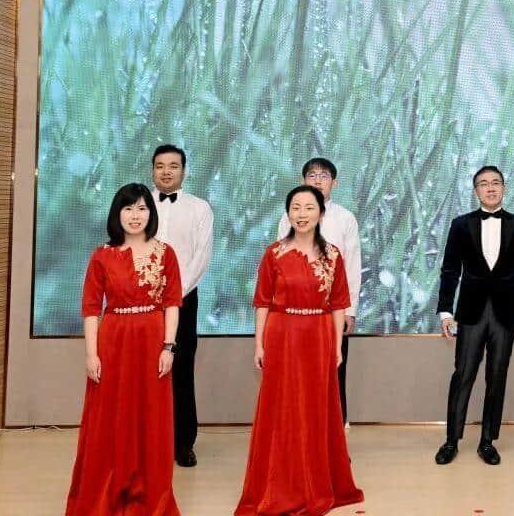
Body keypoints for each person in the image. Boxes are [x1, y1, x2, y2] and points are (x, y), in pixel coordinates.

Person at [236, 185, 364, 516]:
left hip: (318, 337)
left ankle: (315, 482)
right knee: (282, 409)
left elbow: (339, 304)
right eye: (296, 207)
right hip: (281, 335)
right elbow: (262, 302)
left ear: (321, 213)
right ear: (288, 213)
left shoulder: (333, 255)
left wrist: (337, 346)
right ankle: (280, 483)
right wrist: (259, 343)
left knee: (315, 409)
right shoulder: (274, 253)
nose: (302, 214)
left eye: (309, 207)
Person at [65, 183, 182, 516]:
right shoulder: (102, 255)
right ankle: (107, 492)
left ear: (151, 213)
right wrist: (91, 354)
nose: (135, 215)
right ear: (117, 214)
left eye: (142, 208)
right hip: (113, 341)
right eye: (128, 208)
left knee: (151, 418)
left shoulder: (166, 253)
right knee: (109, 417)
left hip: (153, 341)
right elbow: (91, 308)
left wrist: (169, 347)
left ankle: (149, 494)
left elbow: (173, 303)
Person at [434, 166, 514, 466]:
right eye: (484, 184)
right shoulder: (460, 225)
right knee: (463, 373)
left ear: (504, 188)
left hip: (507, 313)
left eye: (495, 183)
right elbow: (450, 270)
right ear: (475, 190)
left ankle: (487, 441)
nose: (490, 188)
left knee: (497, 376)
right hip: (471, 311)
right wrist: (445, 310)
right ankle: (451, 440)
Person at [278, 158, 361, 427]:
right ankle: (298, 432)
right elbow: (281, 265)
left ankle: (334, 434)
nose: (317, 180)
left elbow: (352, 267)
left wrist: (350, 310)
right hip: (295, 313)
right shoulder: (288, 217)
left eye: (324, 176)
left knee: (333, 373)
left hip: (332, 311)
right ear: (303, 181)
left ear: (334, 183)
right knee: (296, 375)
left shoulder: (345, 218)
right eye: (311, 175)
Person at [151, 144, 213, 467]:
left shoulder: (199, 208)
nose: (166, 171)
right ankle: (147, 442)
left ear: (184, 171)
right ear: (153, 170)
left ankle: (183, 443)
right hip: (142, 302)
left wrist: (175, 293)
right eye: (160, 166)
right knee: (144, 371)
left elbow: (202, 257)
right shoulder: (140, 205)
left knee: (181, 369)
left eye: (173, 166)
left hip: (183, 300)